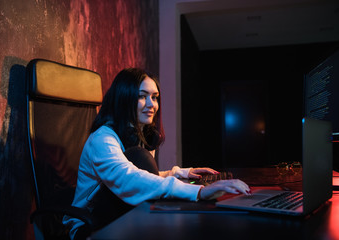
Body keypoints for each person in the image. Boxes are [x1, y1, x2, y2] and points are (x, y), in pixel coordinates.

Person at [63, 68, 251, 239]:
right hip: (88, 227)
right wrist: (199, 191)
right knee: (140, 157)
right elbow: (127, 178)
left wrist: (178, 173)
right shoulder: (102, 139)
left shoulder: (139, 134)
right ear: (124, 98)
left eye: (155, 97)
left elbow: (141, 176)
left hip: (117, 216)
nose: (151, 104)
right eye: (142, 96)